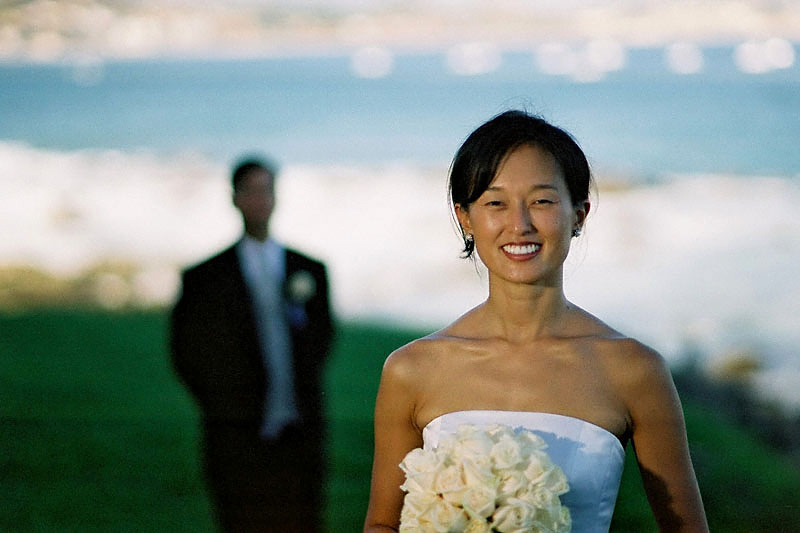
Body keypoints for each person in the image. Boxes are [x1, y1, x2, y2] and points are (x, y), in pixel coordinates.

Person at [363, 111, 708, 532]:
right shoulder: (411, 370)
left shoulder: (634, 370)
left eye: (542, 201)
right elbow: (383, 523)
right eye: (495, 203)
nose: (520, 224)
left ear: (579, 214)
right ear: (465, 218)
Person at [170, 157, 333, 532]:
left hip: (300, 430)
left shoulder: (310, 270)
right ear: (235, 198)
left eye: (267, 190)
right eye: (251, 191)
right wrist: (223, 403)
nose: (260, 199)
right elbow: (185, 352)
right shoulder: (204, 278)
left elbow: (323, 338)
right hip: (235, 435)